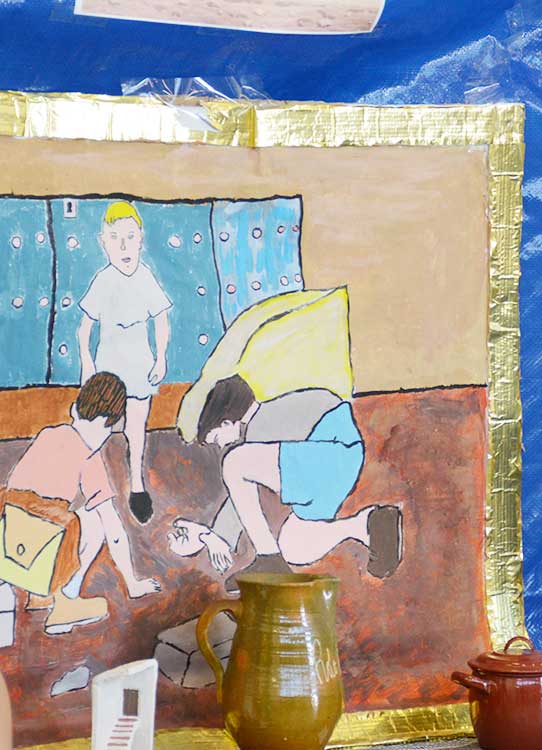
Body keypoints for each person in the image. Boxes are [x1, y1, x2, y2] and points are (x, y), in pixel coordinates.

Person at [170, 375, 402, 593]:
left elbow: (237, 497)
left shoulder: (260, 423)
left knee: (234, 463)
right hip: (338, 465)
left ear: (227, 422)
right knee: (294, 546)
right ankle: (367, 524)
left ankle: (268, 558)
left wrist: (216, 536)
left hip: (331, 453)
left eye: (217, 438)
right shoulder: (267, 423)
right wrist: (209, 535)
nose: (220, 446)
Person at [0, 372, 161, 638]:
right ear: (108, 422)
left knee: (41, 513)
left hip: (8, 548)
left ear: (75, 409)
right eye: (110, 428)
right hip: (40, 558)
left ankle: (40, 598)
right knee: (94, 520)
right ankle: (65, 602)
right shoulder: (90, 458)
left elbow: (21, 491)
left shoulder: (47, 435)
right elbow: (115, 530)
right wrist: (132, 582)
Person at [78, 200, 172, 525]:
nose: (123, 246)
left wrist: (161, 358)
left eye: (130, 237)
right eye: (115, 238)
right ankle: (85, 482)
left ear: (141, 239)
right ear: (104, 242)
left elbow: (161, 320)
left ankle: (137, 486)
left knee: (136, 428)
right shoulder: (103, 281)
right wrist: (87, 365)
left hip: (139, 367)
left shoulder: (146, 278)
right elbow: (83, 329)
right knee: (98, 428)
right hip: (107, 370)